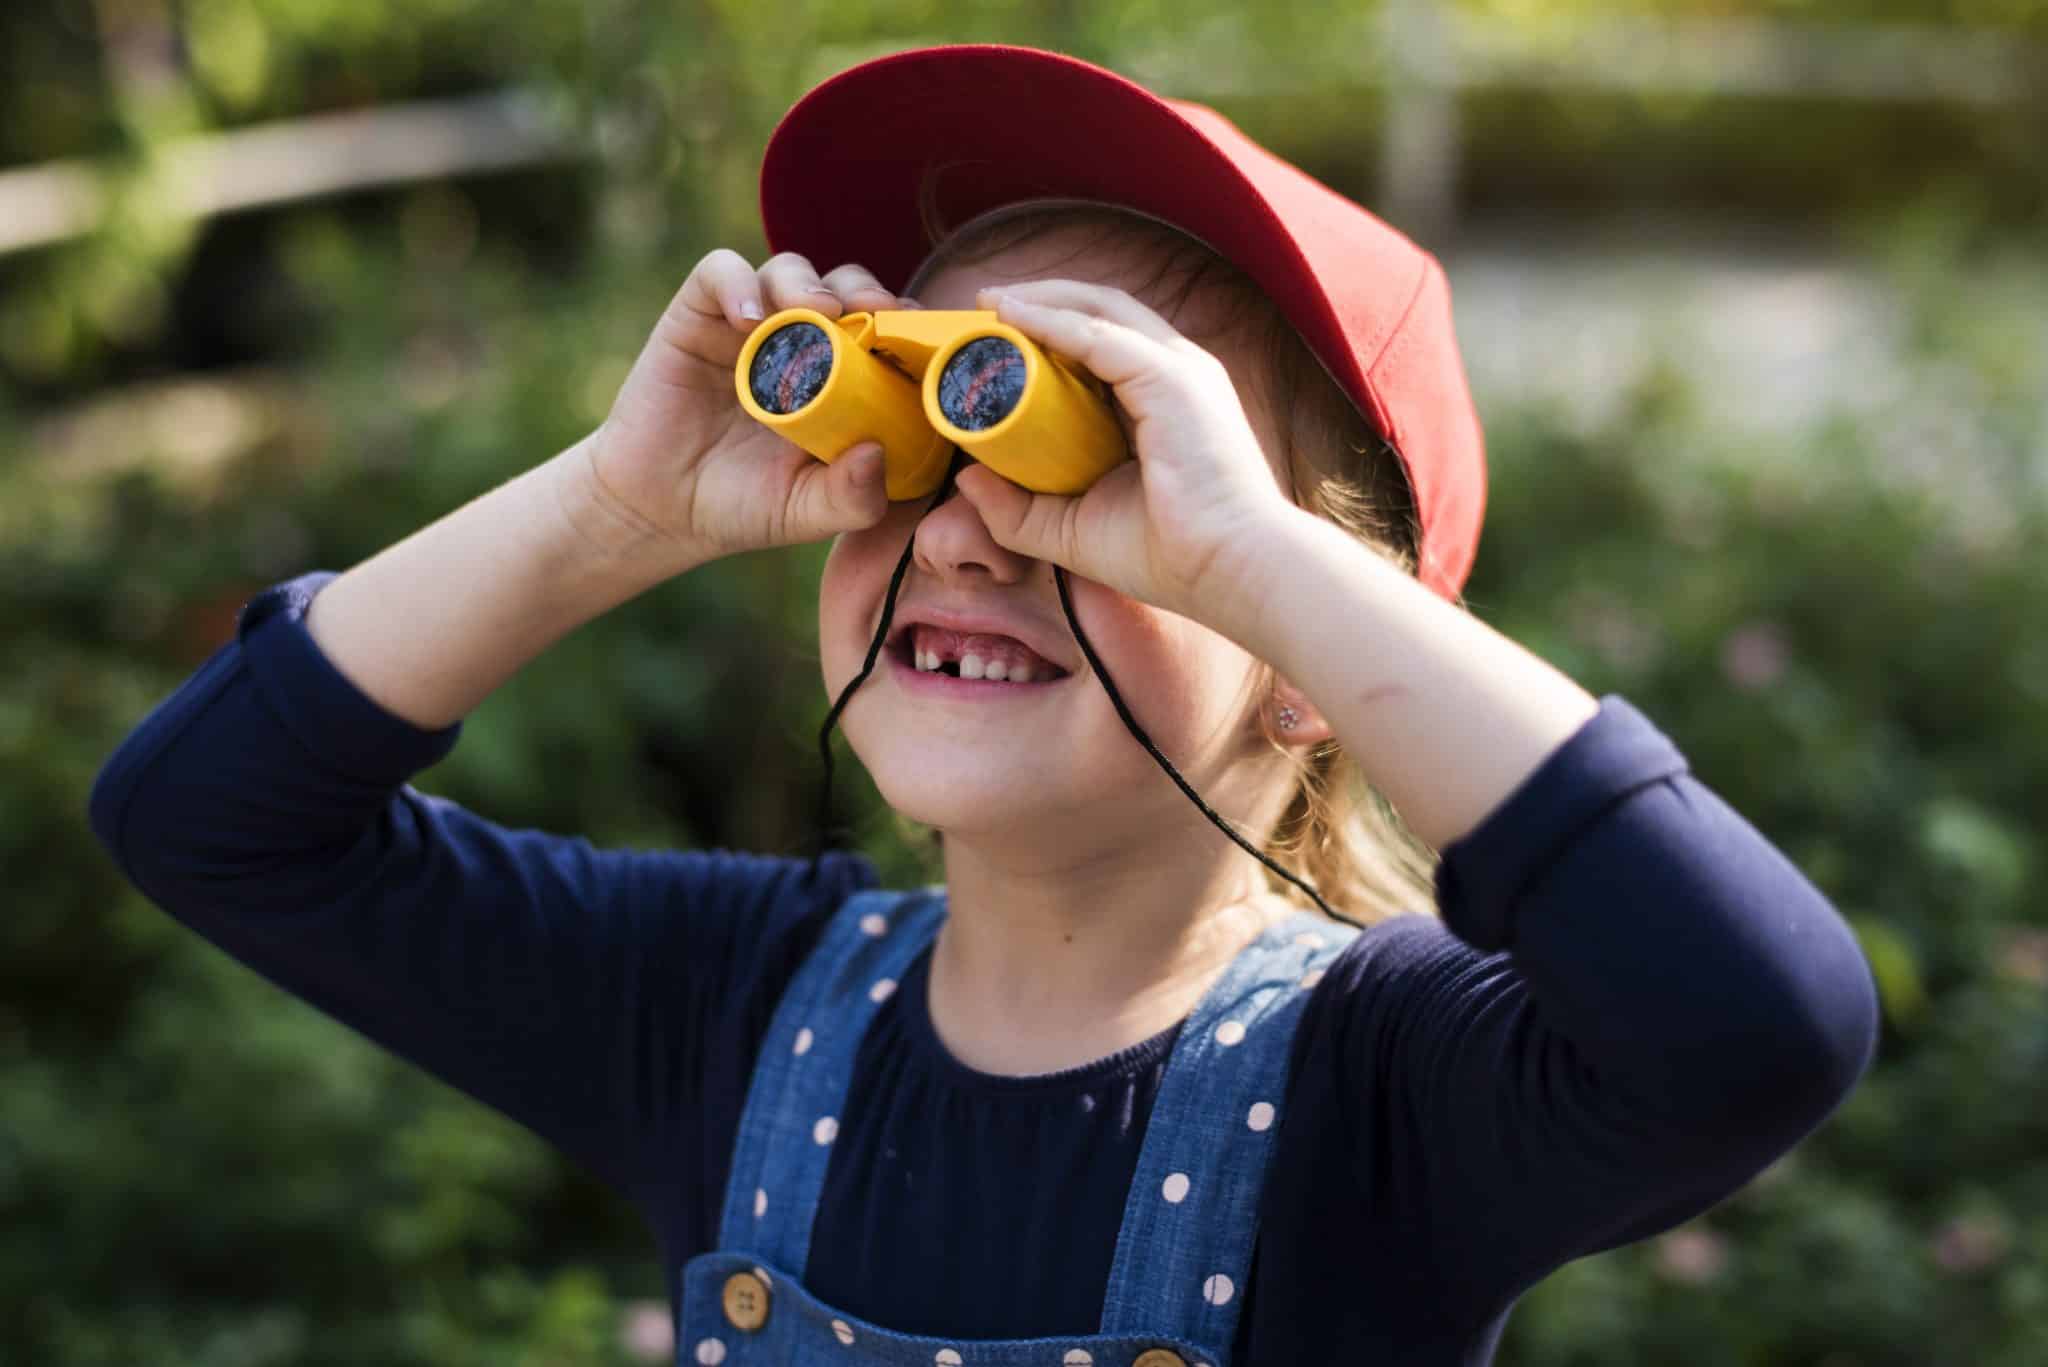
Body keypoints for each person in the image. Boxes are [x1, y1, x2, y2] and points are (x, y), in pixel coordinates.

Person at [89, 43, 1879, 1366]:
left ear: (1323, 669)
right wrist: (612, 507)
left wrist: (1253, 560)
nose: (972, 532)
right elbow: (205, 816)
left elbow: (1765, 1019)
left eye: (1100, 470)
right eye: (916, 434)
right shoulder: (722, 1008)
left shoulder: (1396, 1093)